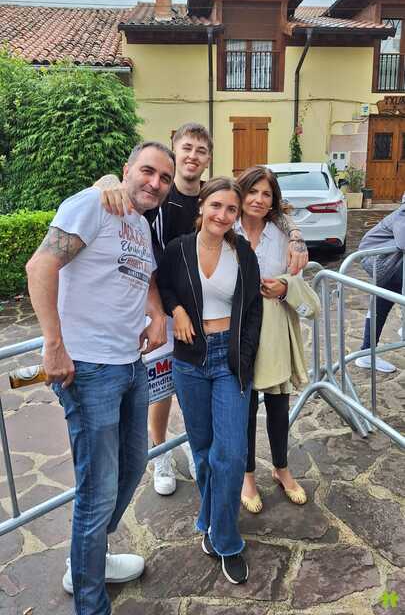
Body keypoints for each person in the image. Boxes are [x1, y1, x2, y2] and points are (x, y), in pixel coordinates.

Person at [96, 124, 308, 496]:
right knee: (161, 389)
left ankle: (202, 454)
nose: (193, 156)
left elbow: (266, 208)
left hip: (216, 317)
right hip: (164, 305)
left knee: (214, 396)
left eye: (201, 150)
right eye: (187, 148)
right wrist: (108, 181)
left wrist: (295, 234)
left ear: (209, 159)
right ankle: (163, 454)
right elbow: (127, 191)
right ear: (175, 150)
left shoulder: (218, 202)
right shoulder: (160, 193)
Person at [26, 142, 174, 615]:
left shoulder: (140, 225)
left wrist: (157, 315)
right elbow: (40, 265)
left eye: (164, 178)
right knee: (98, 490)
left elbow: (143, 280)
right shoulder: (93, 204)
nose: (155, 182)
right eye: (147, 171)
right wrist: (53, 343)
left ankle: (87, 556)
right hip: (89, 369)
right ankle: (91, 600)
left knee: (133, 466)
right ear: (126, 169)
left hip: (130, 364)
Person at [157, 177, 262, 584]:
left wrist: (244, 356)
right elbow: (164, 285)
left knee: (231, 454)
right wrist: (177, 309)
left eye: (231, 209)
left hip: (229, 362)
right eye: (216, 205)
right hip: (190, 361)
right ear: (202, 206)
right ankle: (212, 518)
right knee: (202, 451)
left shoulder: (243, 253)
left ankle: (226, 539)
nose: (223, 214)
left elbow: (253, 310)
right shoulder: (178, 249)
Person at [235, 166, 309, 514]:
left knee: (279, 405)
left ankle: (281, 468)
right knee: (245, 406)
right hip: (237, 330)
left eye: (266, 194)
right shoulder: (226, 228)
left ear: (273, 200)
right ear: (241, 193)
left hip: (274, 330)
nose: (258, 199)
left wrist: (283, 287)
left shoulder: (281, 236)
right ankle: (248, 475)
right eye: (252, 191)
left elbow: (297, 279)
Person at [355, 199, 405, 373]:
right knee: (380, 304)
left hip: (392, 265)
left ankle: (366, 353)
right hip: (379, 262)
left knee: (379, 306)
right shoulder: (403, 213)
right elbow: (403, 242)